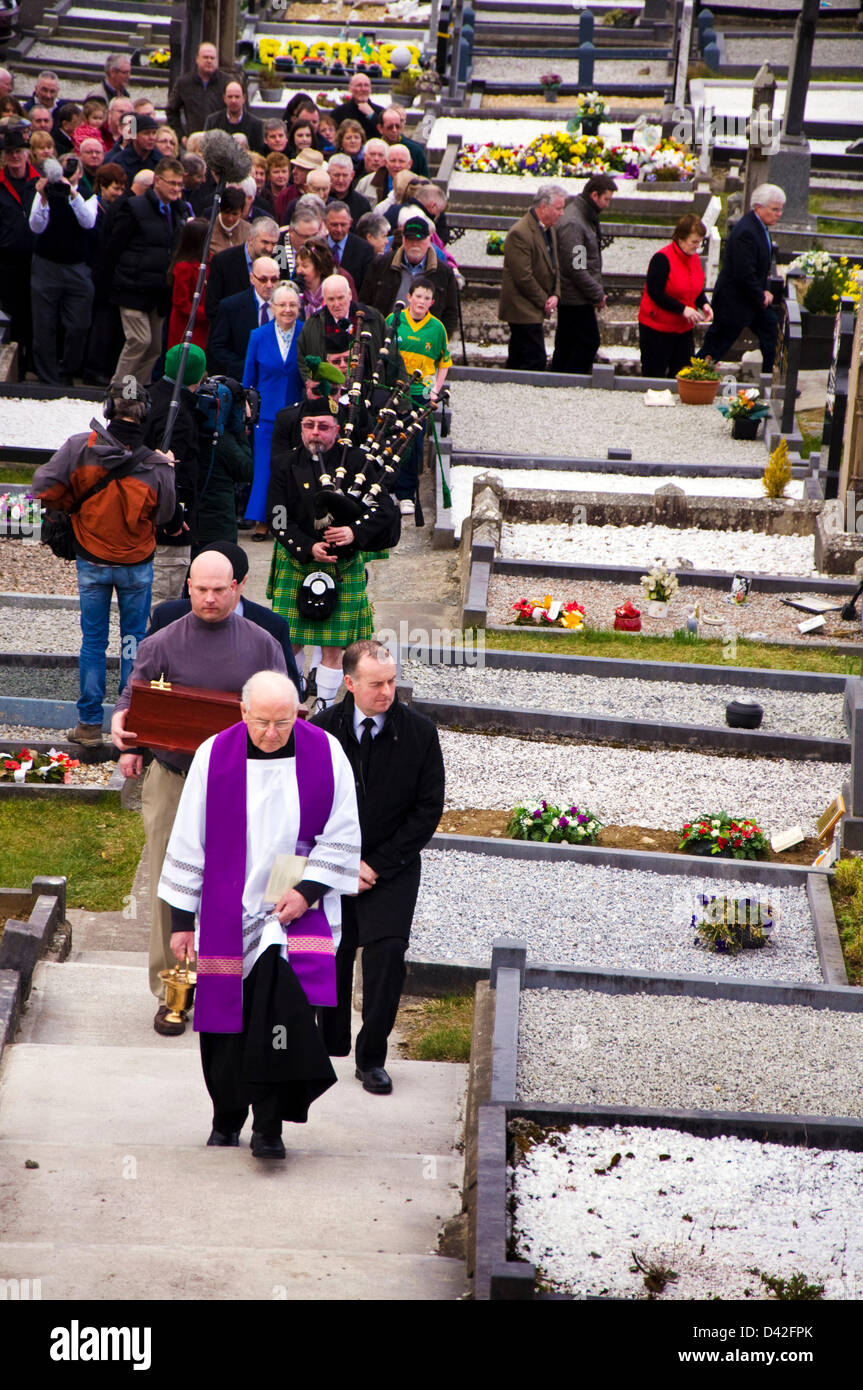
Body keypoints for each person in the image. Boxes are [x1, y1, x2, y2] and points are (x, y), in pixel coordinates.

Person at [158, 669, 360, 1156]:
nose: (272, 734)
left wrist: (308, 891)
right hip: (227, 911)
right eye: (262, 722)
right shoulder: (214, 756)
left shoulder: (326, 753)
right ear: (243, 711)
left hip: (293, 910)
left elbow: (343, 830)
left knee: (282, 1020)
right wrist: (182, 922)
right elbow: (189, 839)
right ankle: (227, 1116)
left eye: (284, 723)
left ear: (300, 713)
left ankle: (270, 1126)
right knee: (226, 1025)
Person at [112, 550, 288, 1035]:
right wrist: (123, 733)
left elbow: (286, 706)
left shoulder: (264, 645)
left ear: (237, 587)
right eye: (200, 589)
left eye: (219, 589)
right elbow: (135, 696)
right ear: (188, 587)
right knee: (170, 882)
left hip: (243, 784)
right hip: (173, 778)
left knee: (241, 881)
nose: (210, 598)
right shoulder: (162, 641)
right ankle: (172, 990)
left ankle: (235, 979)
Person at [313, 640, 444, 1094]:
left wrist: (376, 865)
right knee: (332, 952)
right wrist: (342, 864)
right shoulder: (322, 730)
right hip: (332, 864)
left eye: (391, 681)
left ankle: (372, 1057)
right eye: (376, 684)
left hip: (392, 867)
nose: (387, 692)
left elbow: (428, 810)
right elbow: (306, 803)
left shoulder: (420, 733)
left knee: (387, 956)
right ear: (349, 683)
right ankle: (330, 1044)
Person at [31, 383, 177, 747]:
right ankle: (130, 724)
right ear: (144, 411)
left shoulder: (80, 447)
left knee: (93, 643)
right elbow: (168, 513)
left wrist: (73, 508)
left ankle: (89, 726)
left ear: (109, 407)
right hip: (136, 564)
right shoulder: (157, 464)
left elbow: (43, 486)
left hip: (92, 561)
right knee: (133, 642)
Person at [267, 399, 398, 708]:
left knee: (333, 647)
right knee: (290, 640)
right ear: (300, 428)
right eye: (309, 426)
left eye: (324, 427)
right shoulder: (285, 463)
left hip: (342, 563)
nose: (315, 433)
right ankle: (294, 699)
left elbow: (385, 511)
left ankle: (323, 707)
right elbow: (277, 516)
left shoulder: (357, 461)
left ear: (337, 430)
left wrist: (354, 533)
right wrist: (307, 547)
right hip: (297, 559)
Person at [149, 543, 302, 692]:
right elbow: (141, 678)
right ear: (191, 585)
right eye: (203, 588)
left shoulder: (272, 626)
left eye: (220, 589)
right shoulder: (167, 617)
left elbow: (289, 691)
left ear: (241, 584)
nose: (210, 598)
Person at [105, 156, 190, 387]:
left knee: (154, 348)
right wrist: (111, 281)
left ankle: (134, 396)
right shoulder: (134, 207)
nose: (175, 189)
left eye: (179, 184)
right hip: (131, 287)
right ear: (157, 181)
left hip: (159, 291)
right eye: (171, 183)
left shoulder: (179, 211)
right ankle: (118, 392)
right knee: (139, 340)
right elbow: (113, 247)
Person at [699, 183, 786, 375]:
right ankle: (689, 376)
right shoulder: (746, 232)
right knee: (716, 346)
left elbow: (758, 269)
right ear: (758, 207)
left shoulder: (759, 226)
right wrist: (760, 295)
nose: (779, 214)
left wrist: (762, 291)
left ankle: (767, 378)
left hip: (750, 299)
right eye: (775, 209)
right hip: (735, 301)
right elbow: (744, 272)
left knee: (770, 328)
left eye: (780, 209)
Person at [28, 152, 97, 386]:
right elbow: (35, 226)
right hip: (46, 265)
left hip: (77, 268)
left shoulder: (87, 195)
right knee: (43, 325)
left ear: (79, 172)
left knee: (79, 325)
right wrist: (44, 197)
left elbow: (88, 222)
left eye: (73, 169)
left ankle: (67, 371)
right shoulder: (45, 192)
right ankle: (48, 379)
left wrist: (73, 193)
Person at [385, 276, 451, 517]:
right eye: (418, 296)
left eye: (427, 298)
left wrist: (435, 390)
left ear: (432, 302)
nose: (421, 301)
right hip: (394, 390)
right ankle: (385, 489)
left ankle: (406, 493)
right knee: (387, 439)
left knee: (411, 442)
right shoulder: (394, 320)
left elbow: (444, 362)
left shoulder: (437, 329)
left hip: (419, 395)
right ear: (409, 297)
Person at [243, 280, 303, 537]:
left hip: (298, 411)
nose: (287, 310)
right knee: (265, 467)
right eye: (282, 305)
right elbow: (248, 378)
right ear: (272, 307)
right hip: (265, 415)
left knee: (293, 466)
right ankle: (262, 519)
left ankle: (289, 520)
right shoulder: (258, 336)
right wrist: (246, 408)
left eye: (293, 305)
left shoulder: (306, 331)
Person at [551, 173, 616, 376]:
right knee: (588, 341)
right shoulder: (575, 223)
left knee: (567, 344)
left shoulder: (582, 217)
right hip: (575, 298)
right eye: (606, 199)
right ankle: (572, 381)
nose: (607, 205)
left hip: (575, 295)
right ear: (594, 195)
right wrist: (597, 294)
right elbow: (577, 267)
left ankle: (560, 379)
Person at [498, 182, 566, 372]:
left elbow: (555, 265)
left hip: (535, 303)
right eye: (558, 208)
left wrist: (556, 294)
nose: (562, 213)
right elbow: (523, 276)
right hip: (522, 306)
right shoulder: (520, 233)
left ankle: (510, 387)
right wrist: (545, 301)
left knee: (519, 356)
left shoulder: (549, 228)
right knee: (534, 359)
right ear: (543, 207)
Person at [637, 213, 713, 378]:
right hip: (657, 328)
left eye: (700, 242)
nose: (697, 246)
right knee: (654, 375)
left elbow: (694, 287)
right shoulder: (662, 258)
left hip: (683, 329)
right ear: (680, 238)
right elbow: (654, 292)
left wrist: (704, 304)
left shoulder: (693, 258)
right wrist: (682, 309)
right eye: (694, 242)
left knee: (682, 374)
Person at [360, 213, 459, 337]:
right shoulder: (381, 264)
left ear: (429, 239)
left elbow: (450, 314)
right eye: (410, 239)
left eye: (419, 239)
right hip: (385, 338)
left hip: (424, 342)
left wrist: (439, 344)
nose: (415, 244)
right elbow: (365, 303)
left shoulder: (443, 272)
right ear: (403, 239)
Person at [296, 273, 394, 384]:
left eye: (340, 298)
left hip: (369, 392)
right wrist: (318, 388)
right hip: (329, 394)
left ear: (350, 295)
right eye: (331, 299)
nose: (337, 304)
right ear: (324, 300)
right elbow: (303, 362)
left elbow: (392, 358)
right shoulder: (312, 324)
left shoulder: (373, 318)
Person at [0, 126, 40, 375]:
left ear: (27, 154)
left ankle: (30, 363)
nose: (15, 157)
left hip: (36, 259)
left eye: (19, 151)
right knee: (9, 312)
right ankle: (10, 366)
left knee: (33, 315)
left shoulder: (39, 181)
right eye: (10, 152)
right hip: (5, 260)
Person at [208, 253, 281, 381]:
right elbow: (218, 347)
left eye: (274, 279)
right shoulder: (231, 306)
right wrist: (246, 367)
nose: (269, 285)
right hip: (243, 379)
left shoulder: (288, 306)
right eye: (263, 280)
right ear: (252, 279)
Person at [205, 216, 279, 323]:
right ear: (251, 239)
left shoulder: (279, 260)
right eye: (265, 242)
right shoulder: (223, 261)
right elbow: (212, 308)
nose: (269, 248)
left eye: (274, 244)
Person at [166, 42, 232, 146]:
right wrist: (181, 136)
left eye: (212, 58)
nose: (209, 61)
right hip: (194, 142)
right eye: (205, 57)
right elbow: (171, 111)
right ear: (197, 59)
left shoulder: (228, 83)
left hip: (220, 143)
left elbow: (236, 110)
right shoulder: (184, 83)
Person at [167, 216, 210, 351]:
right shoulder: (183, 267)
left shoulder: (210, 261)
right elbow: (181, 302)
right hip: (185, 326)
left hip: (204, 326)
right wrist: (205, 313)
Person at [324, 197, 374, 290]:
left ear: (350, 223)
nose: (339, 230)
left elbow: (367, 288)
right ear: (325, 223)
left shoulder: (364, 250)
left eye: (343, 225)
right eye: (334, 225)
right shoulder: (317, 246)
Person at [204, 79, 265, 155]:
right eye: (230, 97)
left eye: (237, 97)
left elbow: (259, 153)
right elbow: (206, 148)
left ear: (244, 98)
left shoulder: (256, 124)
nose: (233, 100)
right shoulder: (212, 121)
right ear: (224, 98)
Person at [375, 104, 428, 177]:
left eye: (397, 126)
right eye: (390, 127)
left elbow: (425, 181)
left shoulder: (415, 150)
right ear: (380, 128)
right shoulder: (373, 149)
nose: (394, 130)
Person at [332, 72, 384, 141]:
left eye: (366, 85)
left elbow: (384, 133)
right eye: (359, 85)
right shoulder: (338, 113)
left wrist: (372, 116)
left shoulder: (380, 112)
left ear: (370, 89)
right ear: (350, 88)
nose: (363, 89)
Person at [206, 184, 251, 259]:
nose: (230, 218)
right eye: (226, 212)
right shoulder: (208, 229)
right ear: (220, 209)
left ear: (241, 212)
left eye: (235, 214)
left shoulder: (248, 230)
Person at [326, 153, 371, 221]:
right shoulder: (322, 200)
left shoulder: (362, 204)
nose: (341, 180)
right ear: (328, 175)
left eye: (345, 175)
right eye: (336, 175)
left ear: (352, 175)